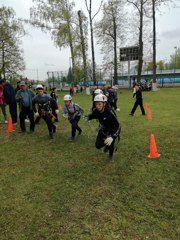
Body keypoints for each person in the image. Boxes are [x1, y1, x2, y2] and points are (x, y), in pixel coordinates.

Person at [87, 94, 121, 162]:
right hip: (103, 129)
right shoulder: (96, 111)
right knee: (98, 145)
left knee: (110, 143)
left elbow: (118, 125)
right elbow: (93, 115)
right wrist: (88, 117)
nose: (97, 106)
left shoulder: (109, 112)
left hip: (112, 130)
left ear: (104, 103)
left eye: (99, 104)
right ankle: (107, 145)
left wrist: (113, 137)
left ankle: (111, 155)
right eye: (96, 104)